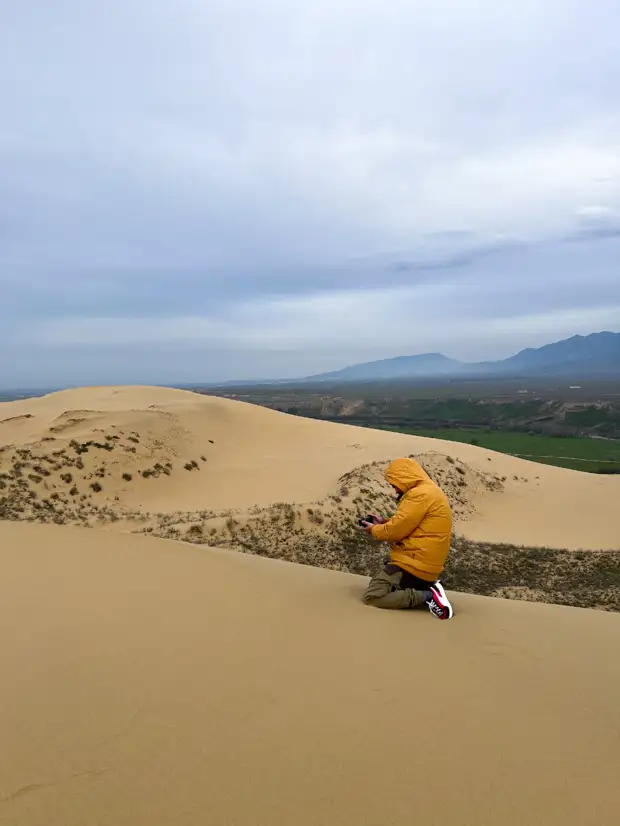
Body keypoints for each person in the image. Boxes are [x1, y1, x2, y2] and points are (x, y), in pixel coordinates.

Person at [360, 457, 454, 620]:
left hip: (413, 566)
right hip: (425, 567)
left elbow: (394, 532)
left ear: (404, 478)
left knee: (373, 597)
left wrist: (374, 529)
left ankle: (428, 595)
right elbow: (410, 524)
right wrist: (383, 522)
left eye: (394, 484)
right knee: (383, 582)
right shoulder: (431, 491)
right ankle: (425, 590)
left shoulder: (419, 495)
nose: (395, 489)